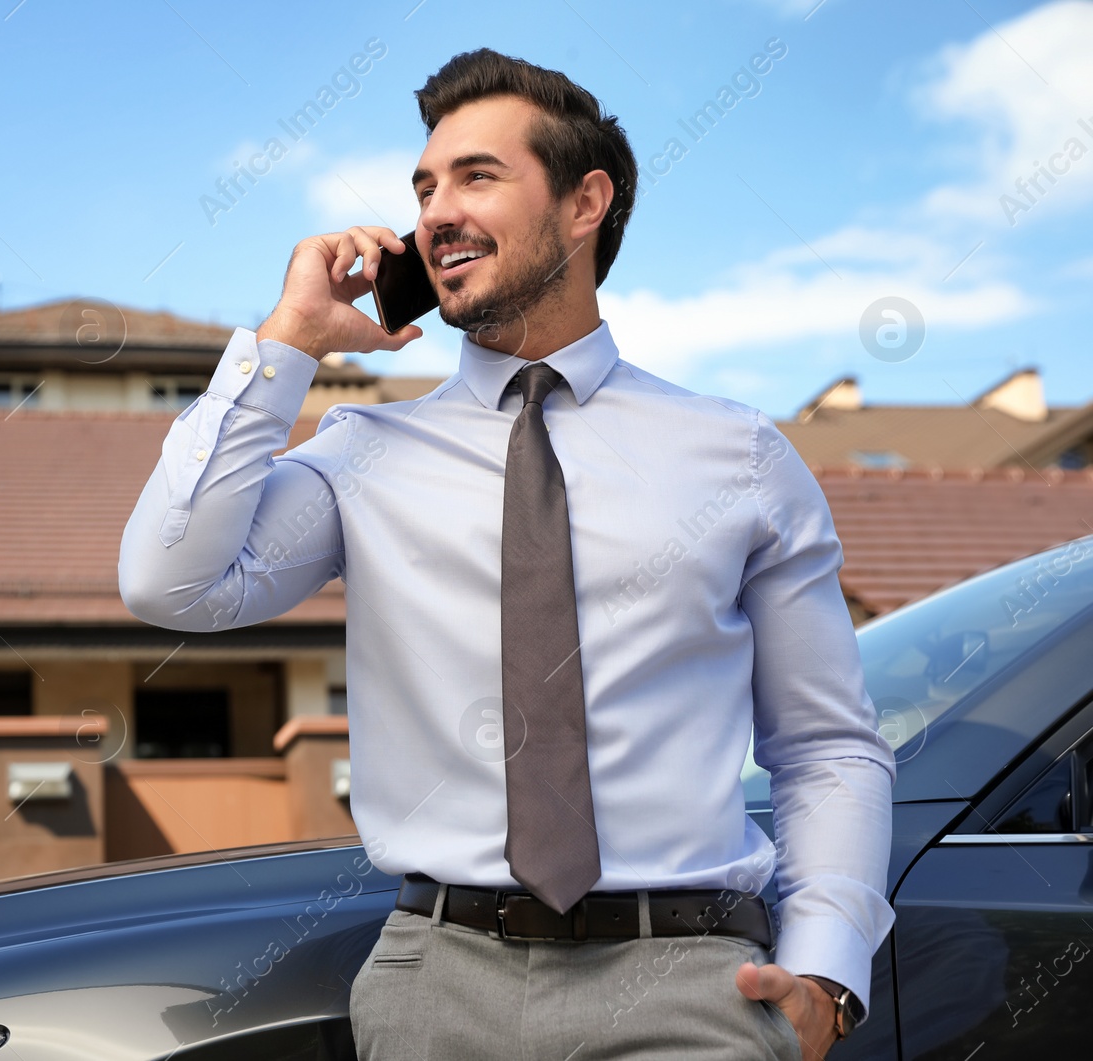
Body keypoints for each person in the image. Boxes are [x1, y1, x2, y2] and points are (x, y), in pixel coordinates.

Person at [119, 47, 894, 1060]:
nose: (436, 210)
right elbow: (168, 578)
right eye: (424, 186)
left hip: (688, 984)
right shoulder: (363, 454)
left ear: (585, 204)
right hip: (438, 986)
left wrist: (828, 974)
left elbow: (826, 742)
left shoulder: (739, 454)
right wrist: (290, 339)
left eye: (477, 176)